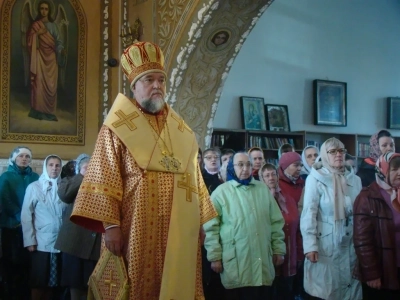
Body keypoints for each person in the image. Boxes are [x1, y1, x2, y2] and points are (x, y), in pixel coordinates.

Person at [70, 41, 217, 300]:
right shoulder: (116, 128)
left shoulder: (181, 130)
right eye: (149, 79)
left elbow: (193, 181)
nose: (157, 85)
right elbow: (104, 176)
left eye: (161, 79)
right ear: (134, 86)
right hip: (134, 227)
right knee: (137, 286)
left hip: (178, 228)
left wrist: (198, 224)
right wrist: (111, 226)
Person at [204, 153, 285, 300]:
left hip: (262, 260)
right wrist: (214, 256)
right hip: (236, 260)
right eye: (240, 164)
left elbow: (276, 223)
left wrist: (279, 249)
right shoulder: (221, 192)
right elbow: (211, 228)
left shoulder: (262, 190)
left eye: (248, 164)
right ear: (231, 168)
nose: (245, 168)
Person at [300, 138, 362, 299]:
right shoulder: (315, 179)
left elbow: (361, 213)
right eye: (333, 152)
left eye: (341, 151)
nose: (338, 155)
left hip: (351, 242)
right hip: (326, 242)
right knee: (327, 289)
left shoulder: (354, 179)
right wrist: (310, 246)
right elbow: (309, 214)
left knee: (350, 289)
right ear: (325, 155)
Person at [353, 152, 400, 299]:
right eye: (394, 169)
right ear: (382, 169)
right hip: (383, 269)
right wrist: (371, 273)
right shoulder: (367, 197)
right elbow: (363, 241)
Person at [54, 154, 101, 300]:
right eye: (87, 166)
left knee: (93, 287)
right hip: (74, 244)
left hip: (96, 245)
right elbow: (65, 195)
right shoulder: (69, 181)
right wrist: (82, 175)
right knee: (75, 286)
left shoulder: (105, 182)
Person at [21, 154, 66, 300]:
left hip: (60, 242)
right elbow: (26, 215)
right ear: (45, 167)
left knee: (55, 282)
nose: (54, 168)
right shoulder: (34, 187)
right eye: (51, 165)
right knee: (39, 281)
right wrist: (30, 241)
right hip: (41, 242)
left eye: (57, 165)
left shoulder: (64, 186)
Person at [0, 146, 39, 300]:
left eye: (27, 156)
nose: (24, 159)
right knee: (12, 263)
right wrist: (21, 218)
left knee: (27, 265)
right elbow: (5, 200)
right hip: (12, 226)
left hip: (31, 227)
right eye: (21, 156)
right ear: (14, 158)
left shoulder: (35, 177)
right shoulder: (6, 177)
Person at [259, 163, 303, 300]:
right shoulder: (258, 199)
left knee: (287, 292)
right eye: (266, 175)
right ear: (261, 179)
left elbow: (296, 225)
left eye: (273, 174)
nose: (271, 178)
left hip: (290, 251)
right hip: (267, 254)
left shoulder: (287, 198)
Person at [27, 1, 66, 121]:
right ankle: (37, 111)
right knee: (38, 83)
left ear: (49, 11)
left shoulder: (53, 26)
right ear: (39, 10)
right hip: (39, 57)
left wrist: (60, 50)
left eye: (46, 9)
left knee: (51, 85)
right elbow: (29, 42)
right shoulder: (35, 25)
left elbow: (59, 42)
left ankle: (49, 113)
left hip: (51, 59)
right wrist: (37, 34)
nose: (44, 11)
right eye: (42, 9)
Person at [200, 148, 225, 300]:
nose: (213, 160)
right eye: (209, 157)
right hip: (206, 226)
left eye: (216, 157)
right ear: (203, 161)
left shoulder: (226, 178)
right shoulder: (200, 178)